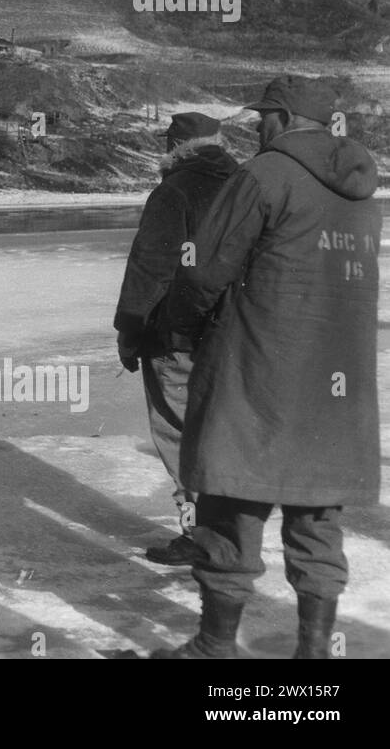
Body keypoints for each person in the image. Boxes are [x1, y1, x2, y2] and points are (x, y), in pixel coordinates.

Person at [154, 76, 381, 660]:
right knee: (317, 517)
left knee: (231, 503)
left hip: (257, 367)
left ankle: (215, 646)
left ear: (281, 117)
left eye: (262, 117)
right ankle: (311, 659)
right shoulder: (362, 190)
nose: (256, 127)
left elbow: (205, 270)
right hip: (337, 382)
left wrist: (179, 326)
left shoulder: (262, 175)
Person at [113, 113, 237, 565]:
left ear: (175, 145)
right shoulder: (246, 185)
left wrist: (130, 328)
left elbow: (151, 268)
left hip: (177, 338)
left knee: (180, 432)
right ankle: (229, 529)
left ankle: (199, 535)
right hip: (233, 337)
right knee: (219, 432)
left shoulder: (174, 191)